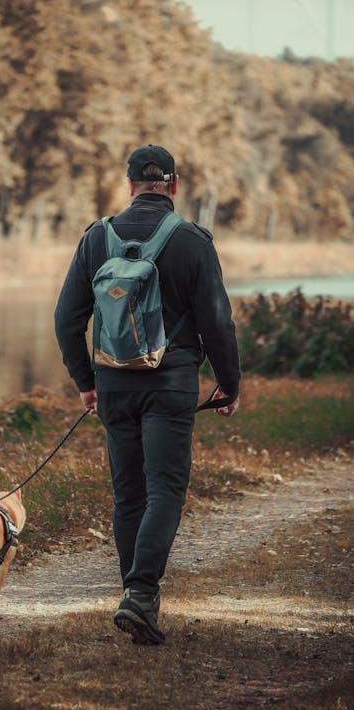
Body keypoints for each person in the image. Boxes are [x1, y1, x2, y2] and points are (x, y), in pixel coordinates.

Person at [54, 144, 240, 645]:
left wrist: (86, 383)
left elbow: (65, 320)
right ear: (174, 187)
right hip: (172, 383)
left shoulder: (97, 238)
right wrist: (229, 383)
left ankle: (135, 598)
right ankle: (139, 596)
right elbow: (218, 324)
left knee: (130, 493)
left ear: (130, 184)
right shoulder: (193, 240)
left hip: (113, 385)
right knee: (164, 490)